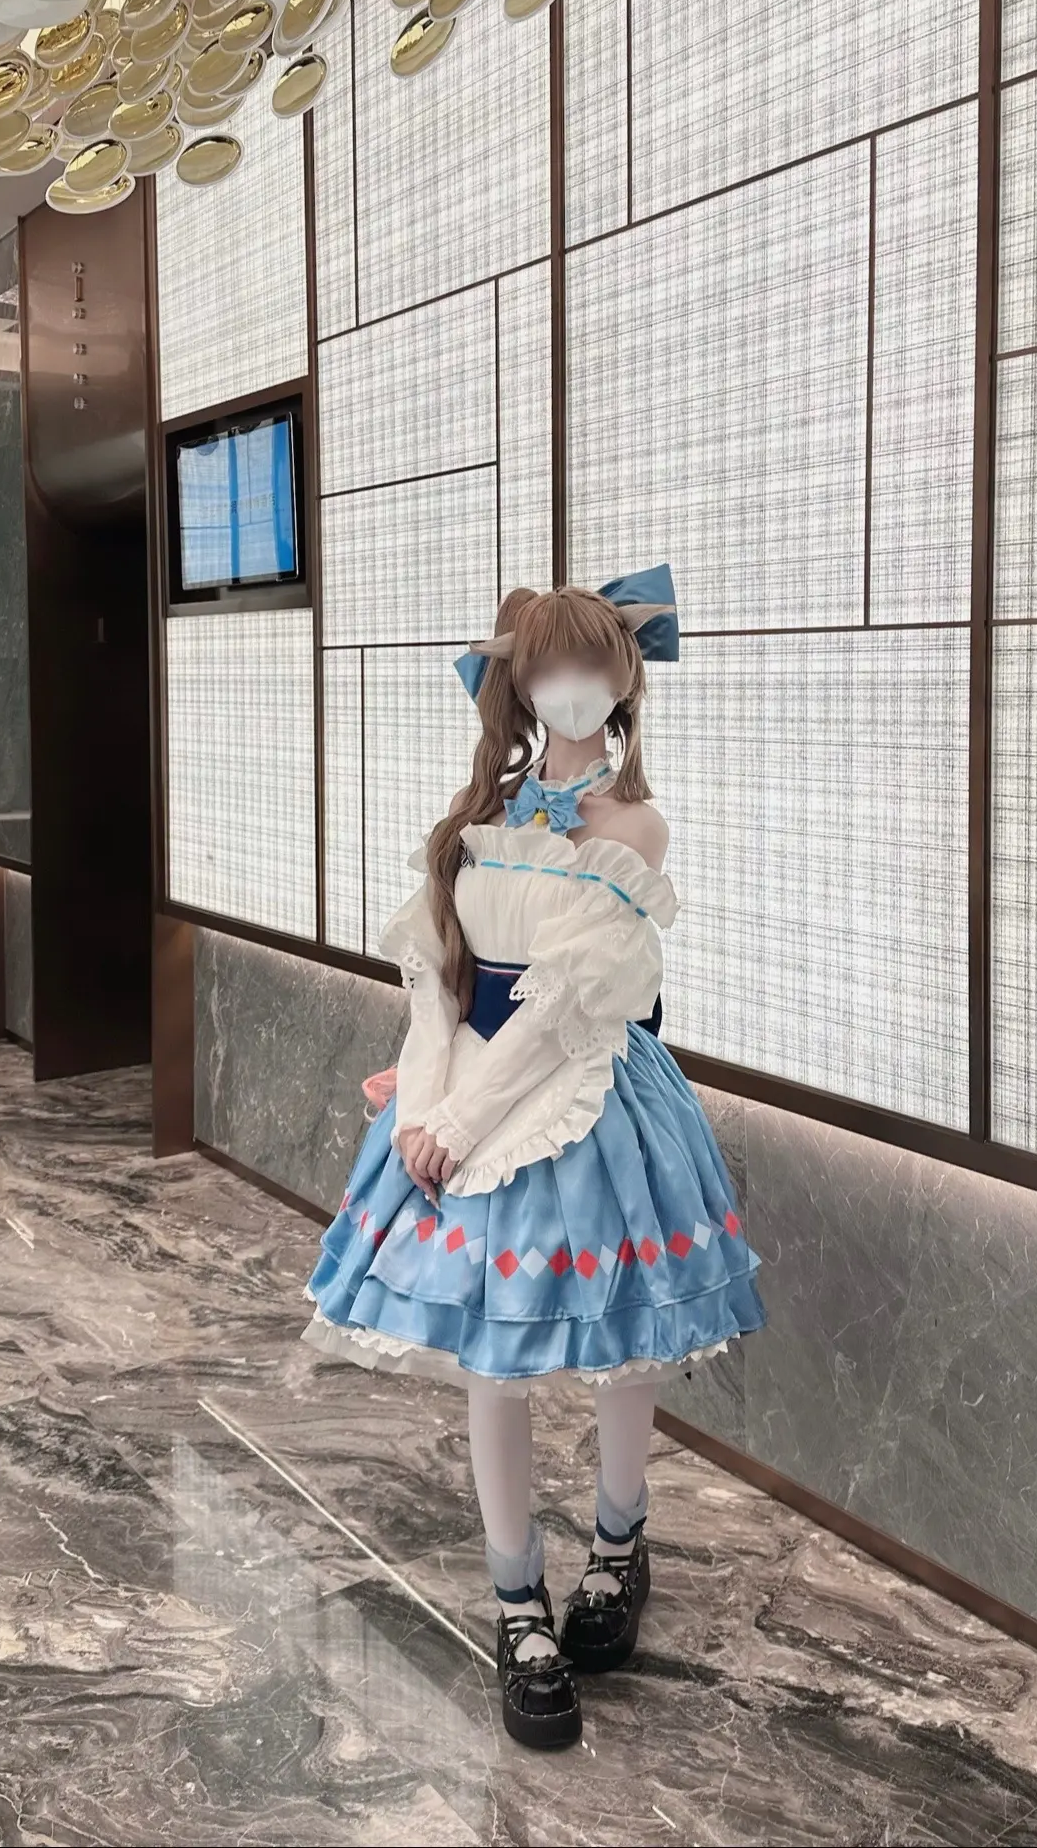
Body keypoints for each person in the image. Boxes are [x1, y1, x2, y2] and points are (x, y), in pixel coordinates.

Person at [305, 569, 765, 1749]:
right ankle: (519, 1603)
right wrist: (425, 1098)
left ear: (623, 680)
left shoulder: (634, 827)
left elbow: (565, 1009)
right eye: (551, 665)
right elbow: (435, 981)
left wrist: (458, 1124)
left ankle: (618, 1546)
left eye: (593, 664)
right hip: (471, 1087)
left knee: (623, 1343)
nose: (572, 686)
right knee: (491, 1359)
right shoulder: (482, 818)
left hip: (593, 1096)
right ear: (519, 682)